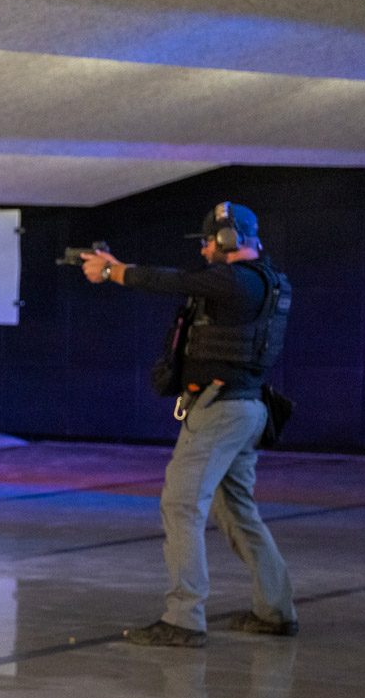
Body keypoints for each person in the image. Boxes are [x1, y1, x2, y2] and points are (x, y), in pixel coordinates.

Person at [81, 202, 297, 648]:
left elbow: (172, 281)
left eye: (206, 242)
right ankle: (275, 610)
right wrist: (117, 267)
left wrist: (112, 273)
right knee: (236, 510)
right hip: (244, 407)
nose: (202, 251)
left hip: (220, 410)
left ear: (227, 239)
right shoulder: (265, 281)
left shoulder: (237, 281)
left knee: (180, 505)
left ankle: (183, 616)